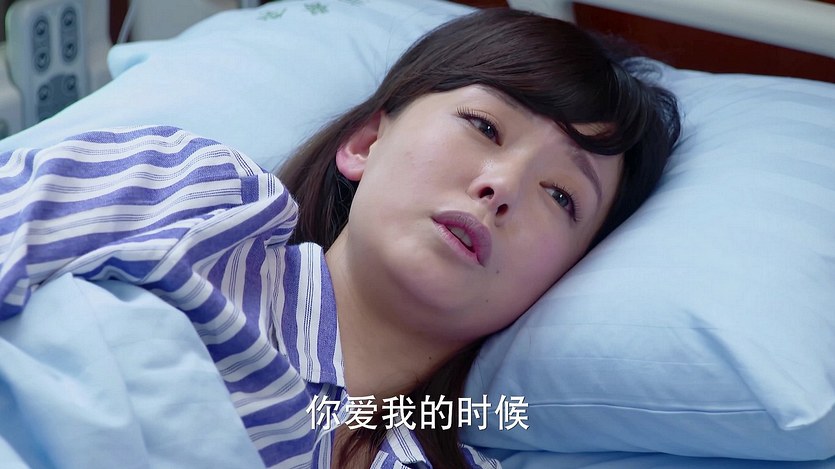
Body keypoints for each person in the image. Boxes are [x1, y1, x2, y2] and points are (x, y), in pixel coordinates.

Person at [0, 7, 680, 469]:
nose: (501, 186)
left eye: (561, 195)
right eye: (484, 126)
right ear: (365, 142)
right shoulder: (195, 201)